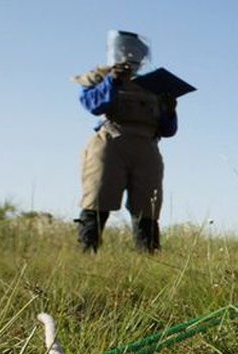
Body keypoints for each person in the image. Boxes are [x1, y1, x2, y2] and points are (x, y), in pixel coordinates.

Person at [73, 30, 178, 253]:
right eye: (126, 50)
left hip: (147, 148)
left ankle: (148, 257)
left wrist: (170, 110)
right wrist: (112, 82)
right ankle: (86, 253)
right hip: (110, 144)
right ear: (116, 51)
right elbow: (92, 105)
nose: (131, 56)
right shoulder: (99, 77)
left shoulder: (156, 87)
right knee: (98, 197)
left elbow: (168, 130)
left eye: (136, 53)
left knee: (148, 205)